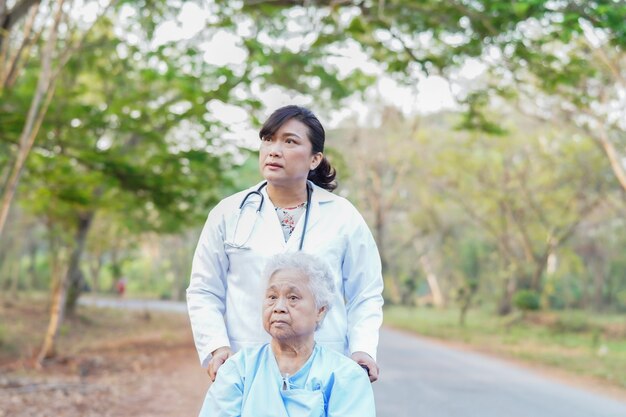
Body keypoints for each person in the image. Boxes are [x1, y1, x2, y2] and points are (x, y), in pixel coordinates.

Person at [187, 105, 384, 383]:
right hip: (246, 364)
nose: (274, 150)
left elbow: (366, 293)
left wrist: (362, 349)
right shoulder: (228, 213)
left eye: (289, 141)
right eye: (268, 139)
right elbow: (204, 289)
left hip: (324, 367)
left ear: (315, 159)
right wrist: (217, 346)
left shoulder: (343, 216)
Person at [198, 252, 376, 417]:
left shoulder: (346, 376)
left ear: (320, 311)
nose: (278, 307)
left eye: (292, 298)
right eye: (272, 297)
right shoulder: (238, 370)